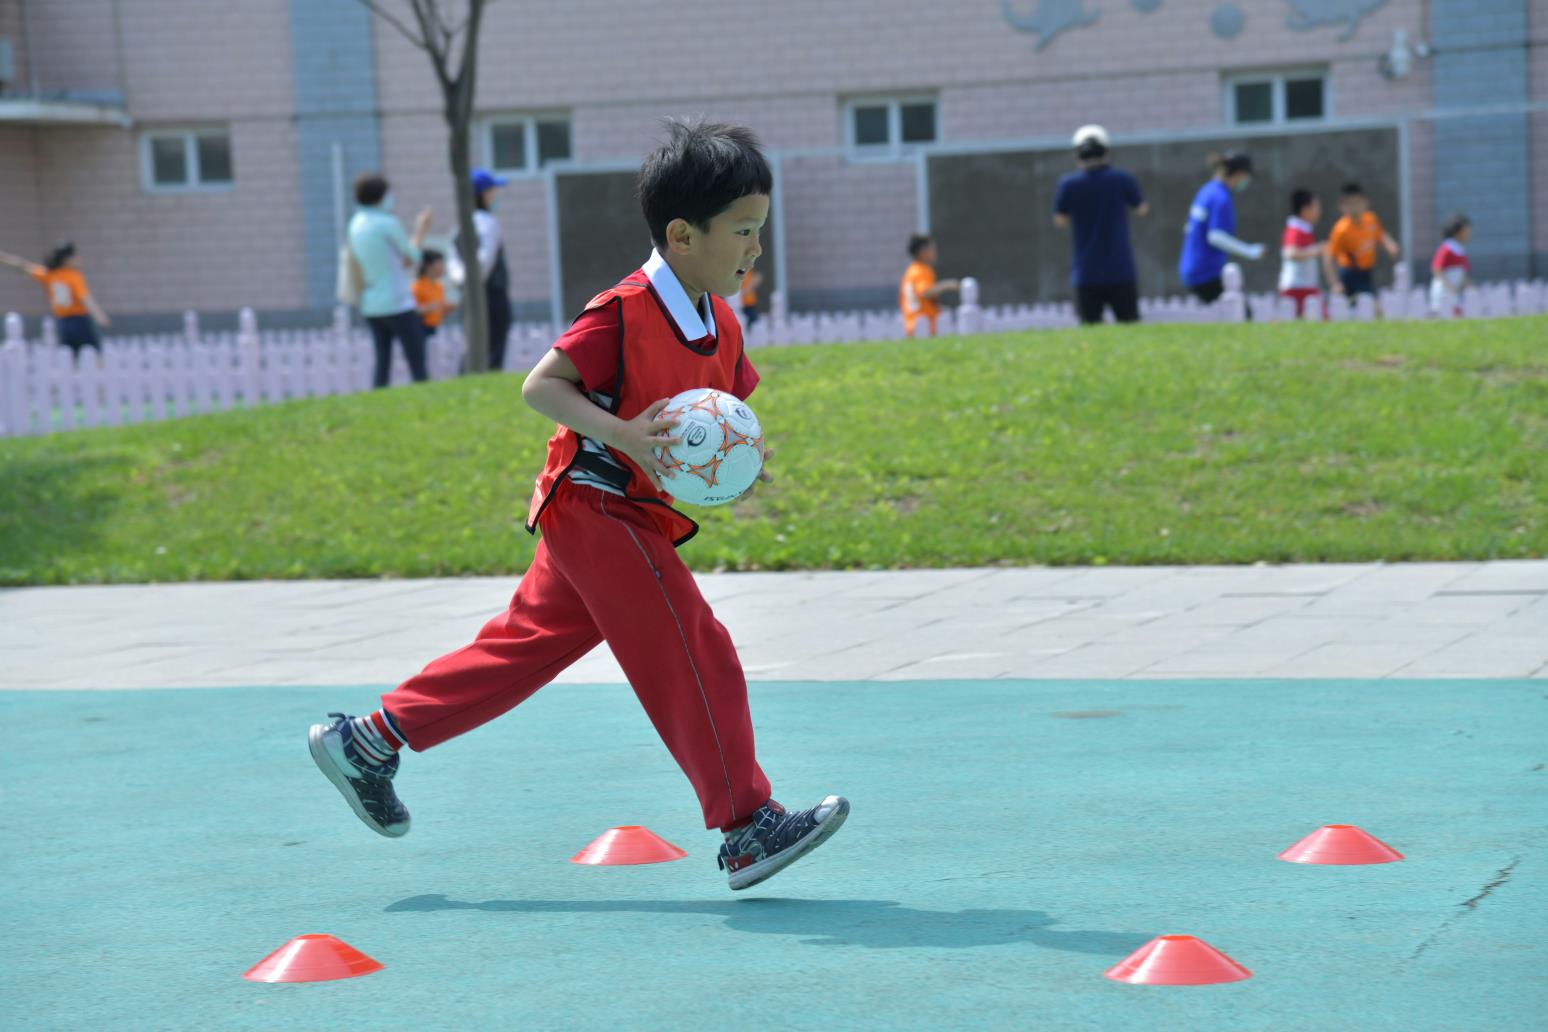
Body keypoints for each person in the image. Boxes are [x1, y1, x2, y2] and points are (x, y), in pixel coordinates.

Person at [306, 120, 849, 893]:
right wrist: (624, 434)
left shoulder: (721, 319)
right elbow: (541, 386)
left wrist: (743, 458)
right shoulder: (623, 310)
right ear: (683, 235)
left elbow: (725, 415)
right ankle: (745, 827)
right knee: (699, 648)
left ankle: (369, 741)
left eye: (762, 228)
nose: (757, 247)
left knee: (520, 648)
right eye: (745, 231)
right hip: (596, 505)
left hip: (625, 514)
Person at [1052, 124, 1148, 324]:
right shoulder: (1122, 179)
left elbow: (1059, 220)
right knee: (1129, 325)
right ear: (1107, 152)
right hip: (1120, 268)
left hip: (1086, 270)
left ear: (1078, 155)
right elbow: (1142, 209)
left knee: (1090, 330)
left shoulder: (1069, 184)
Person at [348, 172, 433, 387]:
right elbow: (412, 257)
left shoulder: (355, 224)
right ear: (380, 196)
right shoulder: (387, 223)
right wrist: (421, 229)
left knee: (382, 364)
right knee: (417, 363)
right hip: (397, 302)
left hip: (371, 303)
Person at [0, 242, 111, 358]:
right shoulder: (73, 276)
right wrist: (99, 316)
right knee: (94, 351)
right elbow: (85, 297)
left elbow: (23, 266)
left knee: (69, 354)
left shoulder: (50, 275)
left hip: (63, 321)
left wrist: (3, 258)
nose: (78, 259)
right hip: (80, 319)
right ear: (66, 259)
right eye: (75, 256)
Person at [1179, 152, 1263, 304]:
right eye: (1245, 176)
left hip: (1191, 268)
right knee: (1240, 313)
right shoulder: (1221, 198)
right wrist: (1250, 251)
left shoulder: (1206, 191)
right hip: (1206, 272)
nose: (1245, 181)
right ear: (1239, 174)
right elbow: (1216, 236)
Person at [455, 168, 513, 372]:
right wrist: (475, 281)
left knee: (474, 343)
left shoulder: (461, 224)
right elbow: (485, 260)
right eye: (491, 190)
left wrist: (462, 282)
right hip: (491, 293)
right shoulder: (488, 222)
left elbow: (454, 261)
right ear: (482, 194)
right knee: (493, 347)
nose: (494, 195)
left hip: (468, 292)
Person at [1322, 182, 1400, 318]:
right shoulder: (1341, 230)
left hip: (1366, 272)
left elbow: (1380, 234)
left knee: (1367, 309)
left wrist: (1389, 245)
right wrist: (1335, 283)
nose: (1354, 208)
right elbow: (1328, 258)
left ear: (1365, 202)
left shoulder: (1371, 219)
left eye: (1357, 203)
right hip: (1350, 274)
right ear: (1342, 207)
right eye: (1350, 204)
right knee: (1367, 308)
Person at [900, 233, 959, 338]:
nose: (935, 252)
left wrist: (937, 307)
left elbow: (919, 298)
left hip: (913, 325)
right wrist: (948, 285)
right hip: (924, 326)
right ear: (923, 252)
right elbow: (925, 292)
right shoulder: (922, 271)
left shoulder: (911, 271)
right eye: (932, 249)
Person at [1279, 189, 1325, 319]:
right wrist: (1317, 250)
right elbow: (1290, 253)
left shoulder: (1305, 228)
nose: (1319, 211)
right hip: (1296, 287)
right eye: (1316, 207)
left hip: (1306, 285)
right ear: (1305, 210)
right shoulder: (1295, 229)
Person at [1429, 213, 1472, 317]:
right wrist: (1448, 286)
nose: (1469, 234)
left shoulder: (1460, 250)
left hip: (1454, 291)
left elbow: (1462, 275)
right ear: (1458, 232)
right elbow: (1437, 269)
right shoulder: (1447, 248)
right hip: (1444, 290)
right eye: (1467, 230)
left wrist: (1471, 287)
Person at [412, 249, 456, 337]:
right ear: (428, 266)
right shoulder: (417, 286)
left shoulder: (439, 286)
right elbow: (412, 311)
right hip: (422, 330)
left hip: (437, 328)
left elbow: (441, 310)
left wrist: (447, 308)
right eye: (440, 263)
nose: (444, 266)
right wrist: (432, 307)